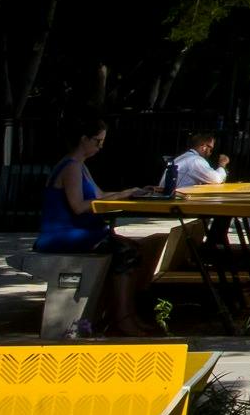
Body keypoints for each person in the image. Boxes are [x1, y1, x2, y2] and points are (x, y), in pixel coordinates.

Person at [36, 119, 162, 336]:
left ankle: (126, 313)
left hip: (79, 231)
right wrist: (124, 195)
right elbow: (78, 206)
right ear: (83, 138)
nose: (100, 147)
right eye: (97, 141)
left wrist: (131, 191)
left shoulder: (80, 166)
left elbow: (100, 196)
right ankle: (122, 318)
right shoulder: (71, 167)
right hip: (64, 234)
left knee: (134, 247)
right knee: (126, 252)